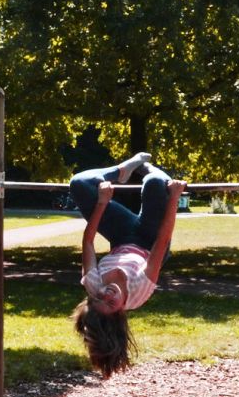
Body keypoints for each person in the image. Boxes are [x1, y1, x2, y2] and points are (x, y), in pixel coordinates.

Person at [69, 153, 187, 378]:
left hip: (122, 235)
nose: (107, 294)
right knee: (155, 184)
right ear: (120, 311)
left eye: (99, 297)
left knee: (79, 185)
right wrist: (174, 198)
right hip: (150, 240)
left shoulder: (93, 285)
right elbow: (162, 242)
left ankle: (122, 171)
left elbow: (88, 241)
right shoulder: (139, 292)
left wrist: (102, 203)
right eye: (110, 302)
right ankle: (148, 169)